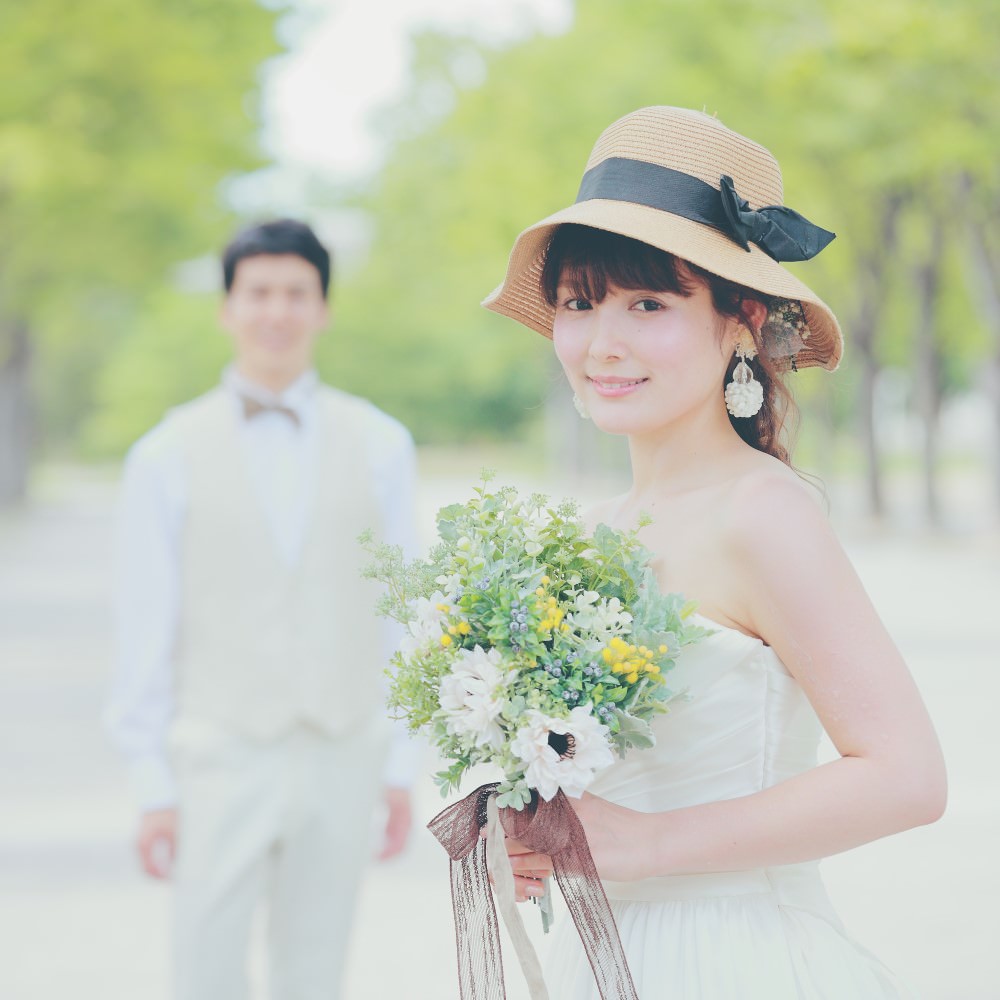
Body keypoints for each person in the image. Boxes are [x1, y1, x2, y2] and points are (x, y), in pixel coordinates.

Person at [484, 107, 946, 997]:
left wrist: (649, 843)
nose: (602, 341)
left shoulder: (763, 512)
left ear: (739, 320)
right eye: (581, 303)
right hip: (609, 954)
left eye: (647, 303)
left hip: (735, 955)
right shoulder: (586, 532)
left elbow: (907, 777)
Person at [105, 218, 418, 1000]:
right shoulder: (164, 454)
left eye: (296, 293)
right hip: (218, 752)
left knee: (316, 972)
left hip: (343, 748)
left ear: (323, 309)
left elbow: (403, 611)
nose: (276, 311)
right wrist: (151, 782)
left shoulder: (382, 444)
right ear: (227, 308)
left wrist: (402, 765)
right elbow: (145, 625)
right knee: (204, 968)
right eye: (259, 294)